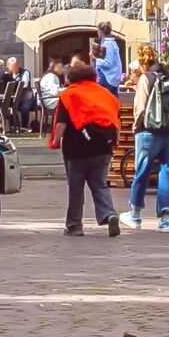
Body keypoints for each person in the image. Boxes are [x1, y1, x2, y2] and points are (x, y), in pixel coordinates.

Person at [53, 59, 125, 235]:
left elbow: (62, 122)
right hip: (103, 147)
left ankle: (74, 226)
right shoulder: (105, 94)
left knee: (76, 188)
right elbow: (115, 119)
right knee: (100, 184)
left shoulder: (69, 95)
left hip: (77, 148)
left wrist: (56, 140)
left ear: (72, 79)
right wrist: (115, 141)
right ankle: (109, 215)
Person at [128, 47, 169, 231]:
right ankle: (165, 220)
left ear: (142, 62)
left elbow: (140, 107)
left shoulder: (147, 78)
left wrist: (136, 128)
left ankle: (135, 215)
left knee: (142, 171)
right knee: (168, 171)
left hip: (148, 132)